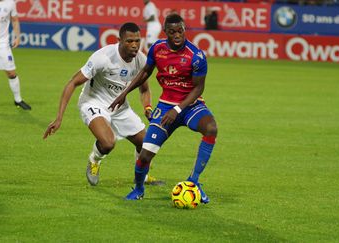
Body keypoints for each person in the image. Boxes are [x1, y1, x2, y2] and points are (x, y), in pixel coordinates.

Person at [110, 14, 218, 203]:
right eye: (172, 32)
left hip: (191, 106)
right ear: (165, 32)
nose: (177, 35)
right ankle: (138, 189)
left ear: (185, 29)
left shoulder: (196, 55)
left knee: (211, 128)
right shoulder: (157, 49)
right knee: (144, 155)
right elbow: (145, 72)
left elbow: (198, 87)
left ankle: (194, 182)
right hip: (165, 105)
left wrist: (177, 110)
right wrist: (124, 93)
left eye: (180, 31)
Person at [43, 23, 162, 186]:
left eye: (137, 41)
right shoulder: (103, 57)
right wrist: (59, 118)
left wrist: (147, 107)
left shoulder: (141, 60)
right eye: (129, 41)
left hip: (120, 107)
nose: (134, 45)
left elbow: (144, 89)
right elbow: (73, 83)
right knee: (108, 143)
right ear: (119, 40)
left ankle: (142, 176)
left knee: (146, 143)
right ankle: (94, 160)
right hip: (94, 102)